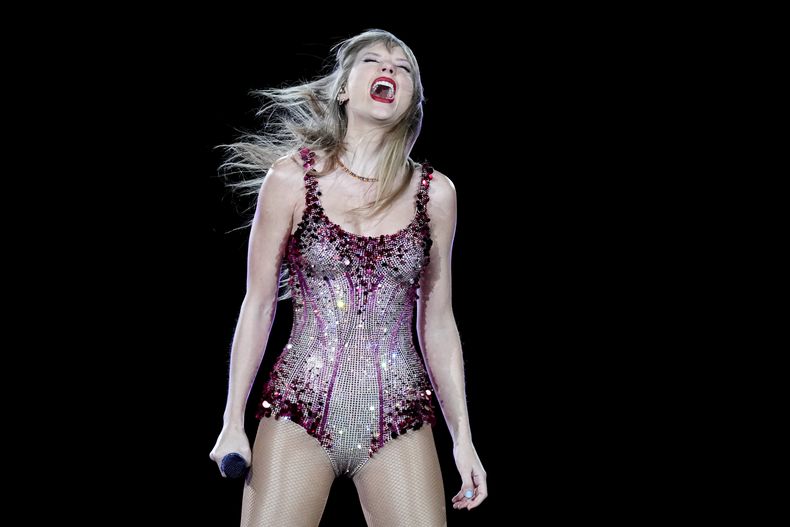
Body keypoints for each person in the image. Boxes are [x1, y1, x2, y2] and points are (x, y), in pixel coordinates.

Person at [209, 29, 487, 526]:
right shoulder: (292, 179)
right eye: (374, 61)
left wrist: (462, 438)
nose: (390, 70)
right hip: (300, 408)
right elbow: (258, 304)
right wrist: (233, 420)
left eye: (403, 68)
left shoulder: (437, 194)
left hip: (398, 416)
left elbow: (439, 322)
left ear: (411, 100)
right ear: (343, 88)